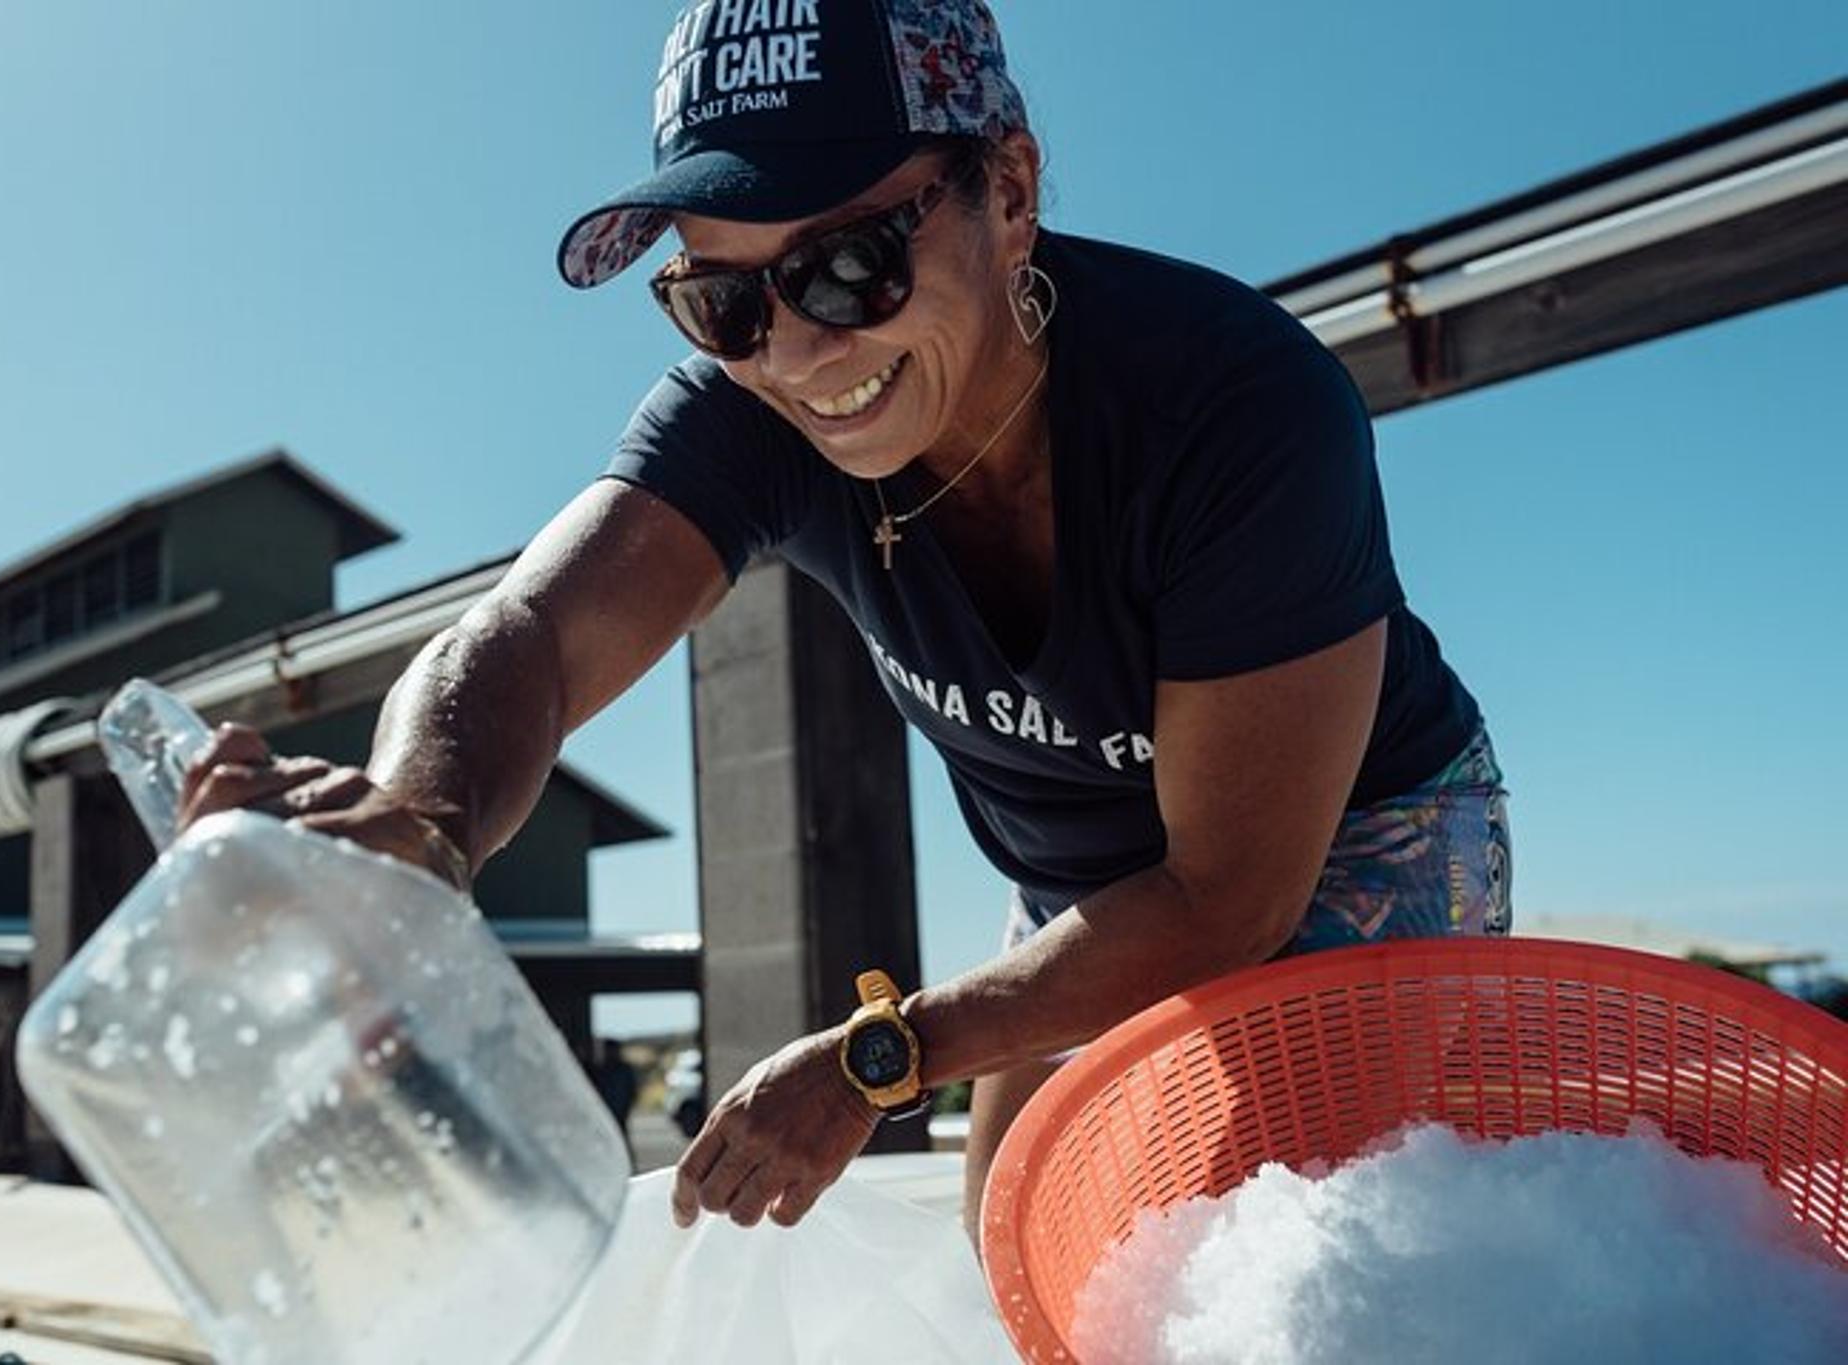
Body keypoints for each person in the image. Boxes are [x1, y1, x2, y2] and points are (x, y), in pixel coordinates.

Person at [177, 0, 1511, 1249]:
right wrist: (417, 831)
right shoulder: (747, 411)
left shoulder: (1238, 409)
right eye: (724, 299)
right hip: (1082, 880)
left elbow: (1226, 895)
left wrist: (888, 1054)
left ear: (1010, 193)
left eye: (851, 265)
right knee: (1014, 1245)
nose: (796, 354)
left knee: (1222, 1263)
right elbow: (535, 628)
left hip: (1344, 845)